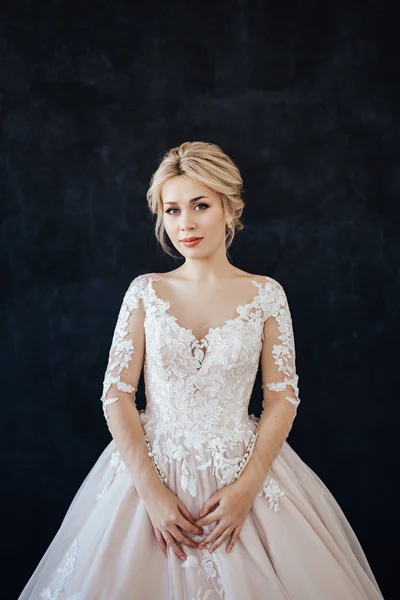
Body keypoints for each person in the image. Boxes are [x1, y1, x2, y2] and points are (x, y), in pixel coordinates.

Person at [19, 141, 384, 599]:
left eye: (200, 206)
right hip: (148, 474)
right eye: (171, 210)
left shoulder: (266, 294)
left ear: (230, 209)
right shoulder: (146, 292)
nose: (185, 223)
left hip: (240, 476)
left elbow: (282, 397)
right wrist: (151, 493)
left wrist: (247, 489)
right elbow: (116, 394)